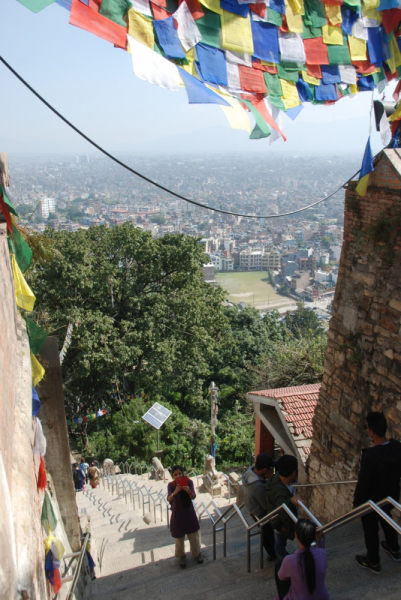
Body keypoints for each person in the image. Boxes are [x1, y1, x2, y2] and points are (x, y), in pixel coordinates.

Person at [354, 411, 401, 574]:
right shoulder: (397, 447)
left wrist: (357, 504)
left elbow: (363, 483)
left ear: (371, 432)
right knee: (388, 519)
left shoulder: (371, 457)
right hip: (391, 497)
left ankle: (373, 561)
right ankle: (395, 549)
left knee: (371, 530)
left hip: (372, 502)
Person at [275, 519, 329, 600]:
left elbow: (281, 577)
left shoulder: (289, 560)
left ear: (296, 536)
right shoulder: (323, 554)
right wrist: (318, 541)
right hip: (322, 597)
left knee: (279, 565)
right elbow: (319, 560)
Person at [242, 452, 276, 560]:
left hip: (252, 508)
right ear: (265, 469)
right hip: (259, 512)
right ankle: (274, 553)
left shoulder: (249, 472)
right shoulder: (257, 486)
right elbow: (266, 506)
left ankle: (272, 553)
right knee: (268, 534)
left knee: (265, 534)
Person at [167, 465, 203, 569]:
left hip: (189, 512)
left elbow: (193, 496)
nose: (178, 476)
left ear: (183, 474)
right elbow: (169, 498)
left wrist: (188, 491)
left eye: (179, 474)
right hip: (177, 514)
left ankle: (196, 553)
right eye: (175, 474)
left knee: (193, 536)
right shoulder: (171, 485)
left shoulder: (189, 482)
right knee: (179, 538)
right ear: (172, 476)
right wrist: (175, 492)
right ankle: (181, 556)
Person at [265, 455, 300, 561]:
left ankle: (283, 560)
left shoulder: (275, 478)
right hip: (281, 524)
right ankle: (284, 564)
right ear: (294, 472)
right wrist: (292, 528)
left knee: (279, 544)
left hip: (275, 521)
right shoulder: (281, 495)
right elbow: (285, 514)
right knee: (280, 544)